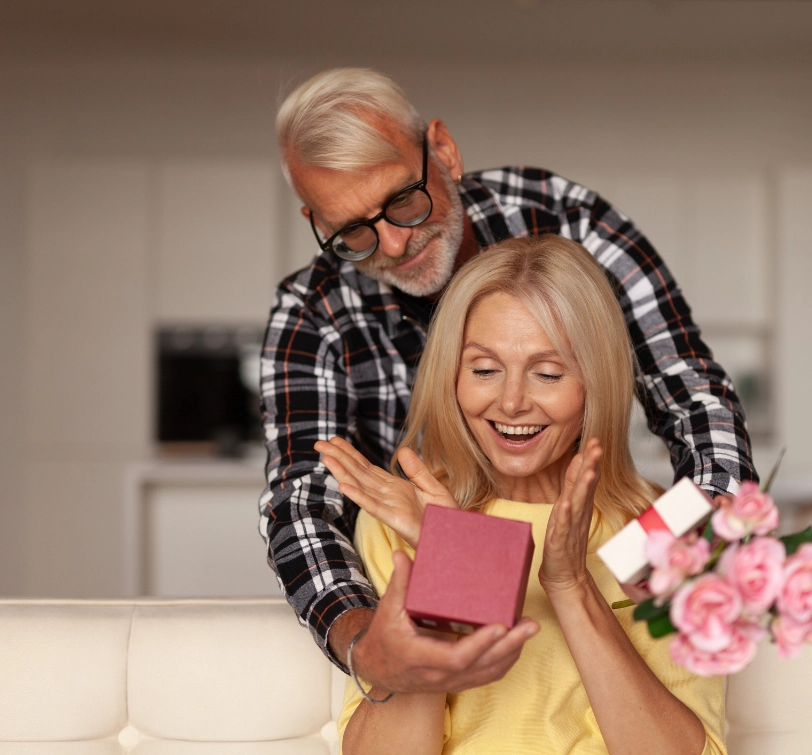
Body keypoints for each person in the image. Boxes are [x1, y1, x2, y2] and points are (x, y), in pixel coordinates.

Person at [260, 67, 756, 693]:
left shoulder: (568, 220)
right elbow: (301, 502)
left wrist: (673, 541)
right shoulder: (313, 310)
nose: (393, 241)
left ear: (443, 151)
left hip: (587, 553)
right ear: (314, 219)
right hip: (425, 571)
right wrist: (367, 645)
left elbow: (688, 391)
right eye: (352, 233)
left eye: (404, 200)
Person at [318, 235, 727, 755]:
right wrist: (456, 560)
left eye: (548, 373)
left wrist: (571, 582)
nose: (511, 402)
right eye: (484, 370)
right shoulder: (401, 518)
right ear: (453, 376)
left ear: (594, 381)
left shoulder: (664, 530)